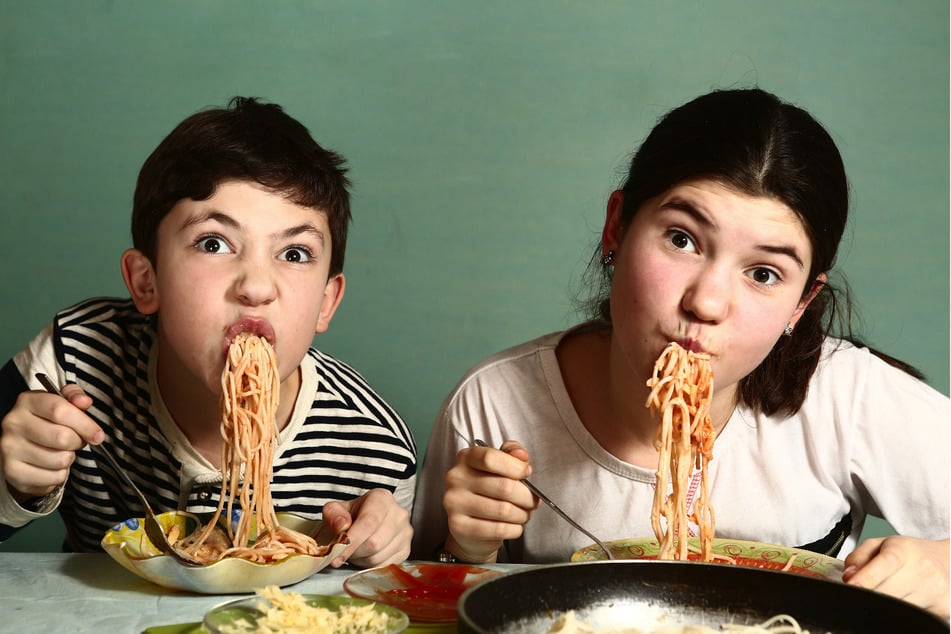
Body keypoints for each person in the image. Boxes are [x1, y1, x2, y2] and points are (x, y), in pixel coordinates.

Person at [411, 88, 950, 616]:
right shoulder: (495, 404)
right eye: (682, 239)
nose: (707, 302)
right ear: (616, 227)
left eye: (763, 274)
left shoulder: (846, 398)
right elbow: (420, 606)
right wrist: (462, 552)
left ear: (802, 302)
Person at [0, 97, 416, 568]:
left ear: (326, 301)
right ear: (145, 280)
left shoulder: (373, 445)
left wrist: (385, 550)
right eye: (213, 243)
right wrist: (12, 482)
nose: (256, 287)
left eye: (295, 253)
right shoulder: (75, 358)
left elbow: (397, 589)